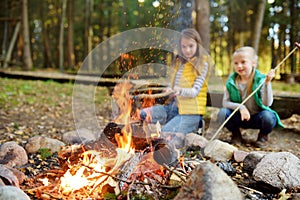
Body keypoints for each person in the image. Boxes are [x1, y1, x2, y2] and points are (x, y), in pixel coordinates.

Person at [139, 28, 210, 134]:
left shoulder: (202, 64)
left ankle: (196, 125)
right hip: (173, 108)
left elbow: (195, 92)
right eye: (184, 47)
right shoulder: (178, 63)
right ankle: (173, 122)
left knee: (165, 133)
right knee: (142, 114)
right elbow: (174, 86)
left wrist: (179, 90)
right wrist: (170, 89)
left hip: (191, 112)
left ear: (198, 45)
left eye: (191, 46)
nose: (187, 50)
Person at [217, 46, 284, 147]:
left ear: (253, 63)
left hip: (257, 117)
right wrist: (241, 107)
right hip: (240, 117)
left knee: (269, 117)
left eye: (243, 62)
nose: (239, 66)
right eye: (236, 63)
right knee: (223, 113)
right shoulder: (231, 81)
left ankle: (262, 136)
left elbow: (267, 103)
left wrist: (267, 83)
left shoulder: (260, 80)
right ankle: (236, 135)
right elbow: (225, 103)